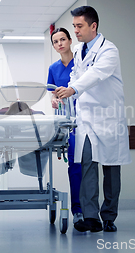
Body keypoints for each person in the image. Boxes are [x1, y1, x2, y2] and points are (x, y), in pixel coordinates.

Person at [55, 6, 131, 233]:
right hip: (87, 117)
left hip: (108, 117)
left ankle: (109, 215)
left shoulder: (109, 50)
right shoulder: (79, 51)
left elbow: (96, 74)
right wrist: (67, 90)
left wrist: (73, 88)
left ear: (93, 26)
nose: (75, 31)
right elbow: (76, 75)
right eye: (74, 26)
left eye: (79, 26)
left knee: (111, 169)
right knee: (87, 163)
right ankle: (91, 217)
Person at [47, 27, 84, 226]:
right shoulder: (53, 68)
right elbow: (52, 92)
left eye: (63, 39)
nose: (60, 43)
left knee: (89, 165)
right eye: (56, 41)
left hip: (85, 117)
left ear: (70, 41)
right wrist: (53, 99)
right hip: (67, 122)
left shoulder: (81, 63)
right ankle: (77, 209)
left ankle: (89, 208)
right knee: (75, 164)